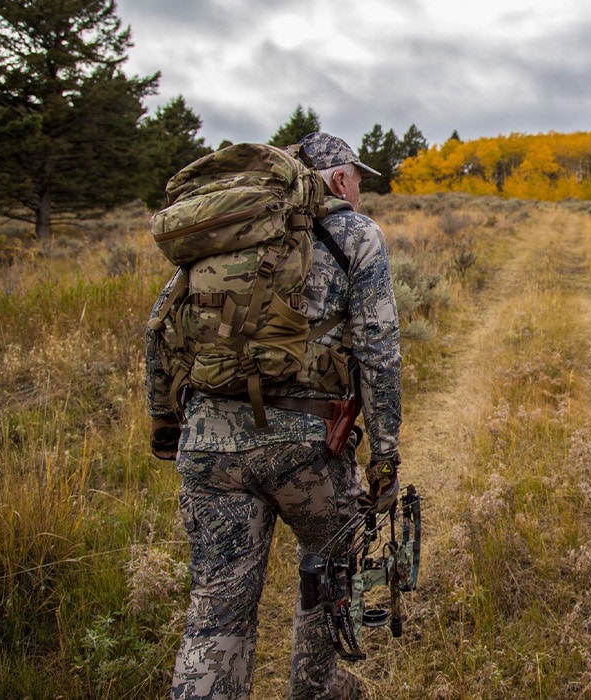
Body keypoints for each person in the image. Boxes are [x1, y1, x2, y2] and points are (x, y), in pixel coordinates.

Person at [145, 132, 403, 700]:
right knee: (328, 576)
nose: (360, 188)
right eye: (358, 177)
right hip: (308, 450)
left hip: (209, 447)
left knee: (217, 609)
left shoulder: (228, 234)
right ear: (339, 179)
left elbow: (156, 334)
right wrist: (385, 454)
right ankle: (317, 688)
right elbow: (380, 352)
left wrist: (168, 428)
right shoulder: (355, 235)